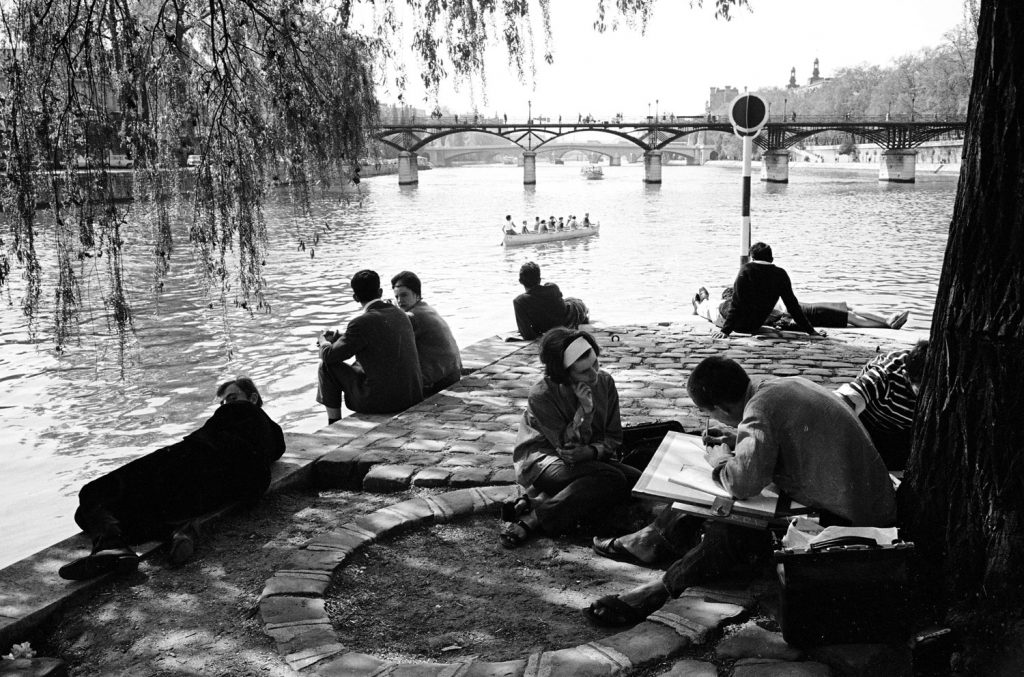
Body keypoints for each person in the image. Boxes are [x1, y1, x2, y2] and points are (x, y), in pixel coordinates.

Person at [586, 356, 896, 627]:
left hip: (850, 525)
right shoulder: (777, 386)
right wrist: (738, 437)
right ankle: (652, 540)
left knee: (729, 528)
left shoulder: (760, 409)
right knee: (713, 508)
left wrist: (719, 459)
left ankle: (660, 588)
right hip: (864, 501)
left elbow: (742, 484)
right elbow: (780, 436)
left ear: (720, 407)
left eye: (711, 414)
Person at [58, 378, 285, 581]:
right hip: (214, 490)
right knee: (100, 512)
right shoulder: (273, 437)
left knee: (92, 493)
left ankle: (112, 545)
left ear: (252, 398)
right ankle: (173, 532)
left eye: (232, 398)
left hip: (190, 463)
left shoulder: (242, 411)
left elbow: (205, 438)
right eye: (223, 403)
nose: (226, 406)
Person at [500, 329, 641, 547]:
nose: (594, 374)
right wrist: (584, 411)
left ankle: (539, 499)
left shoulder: (605, 383)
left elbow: (614, 437)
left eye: (596, 364)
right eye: (584, 372)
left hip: (589, 460)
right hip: (544, 459)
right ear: (564, 374)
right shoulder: (542, 394)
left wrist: (593, 451)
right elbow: (567, 450)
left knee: (636, 482)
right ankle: (536, 517)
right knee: (611, 479)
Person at [316, 269, 423, 421]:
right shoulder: (400, 314)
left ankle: (333, 422)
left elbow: (329, 356)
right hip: (411, 396)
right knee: (358, 363)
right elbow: (374, 336)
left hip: (384, 402)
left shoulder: (360, 323)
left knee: (326, 367)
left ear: (355, 297)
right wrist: (341, 337)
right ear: (380, 292)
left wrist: (323, 342)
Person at [834, 340, 928, 470]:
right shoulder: (886, 375)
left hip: (907, 432)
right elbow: (846, 400)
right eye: (920, 391)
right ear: (906, 377)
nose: (927, 397)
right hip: (870, 426)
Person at [715, 242, 825, 338]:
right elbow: (792, 305)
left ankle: (702, 298)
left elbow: (736, 303)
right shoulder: (781, 274)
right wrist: (811, 331)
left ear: (752, 258)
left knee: (710, 306)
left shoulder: (746, 270)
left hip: (735, 323)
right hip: (755, 323)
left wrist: (725, 330)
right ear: (771, 259)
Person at [695, 286, 910, 331]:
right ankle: (888, 323)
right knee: (849, 316)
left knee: (849, 309)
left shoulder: (717, 307)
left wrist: (699, 299)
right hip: (794, 311)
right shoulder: (728, 307)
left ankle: (887, 320)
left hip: (796, 307)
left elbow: (701, 303)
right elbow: (702, 303)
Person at [391, 271, 463, 397]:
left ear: (417, 295)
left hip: (440, 381)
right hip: (453, 373)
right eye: (396, 297)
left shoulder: (412, 316)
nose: (400, 301)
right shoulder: (426, 308)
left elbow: (391, 341)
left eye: (404, 295)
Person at [513, 261, 589, 340]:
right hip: (570, 317)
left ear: (520, 281)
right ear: (539, 279)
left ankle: (584, 311)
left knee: (570, 300)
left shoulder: (519, 302)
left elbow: (527, 334)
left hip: (554, 326)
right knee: (575, 301)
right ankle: (585, 313)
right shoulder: (552, 287)